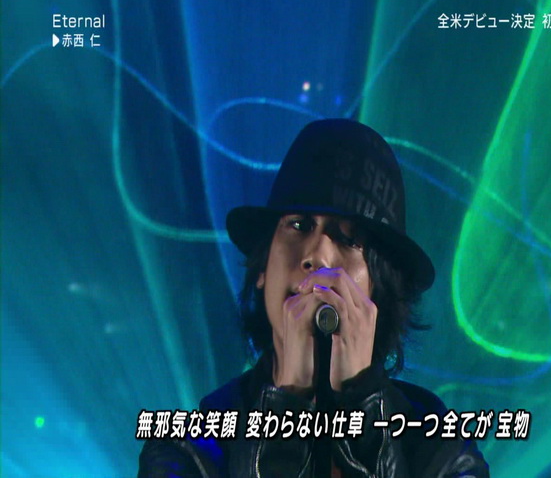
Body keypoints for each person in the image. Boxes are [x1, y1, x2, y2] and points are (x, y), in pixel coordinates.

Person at [138, 119, 489, 477]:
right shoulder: (188, 450)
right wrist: (284, 413)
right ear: (263, 268)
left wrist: (363, 418)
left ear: (379, 290)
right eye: (299, 225)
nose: (318, 255)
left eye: (349, 239)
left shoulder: (441, 448)